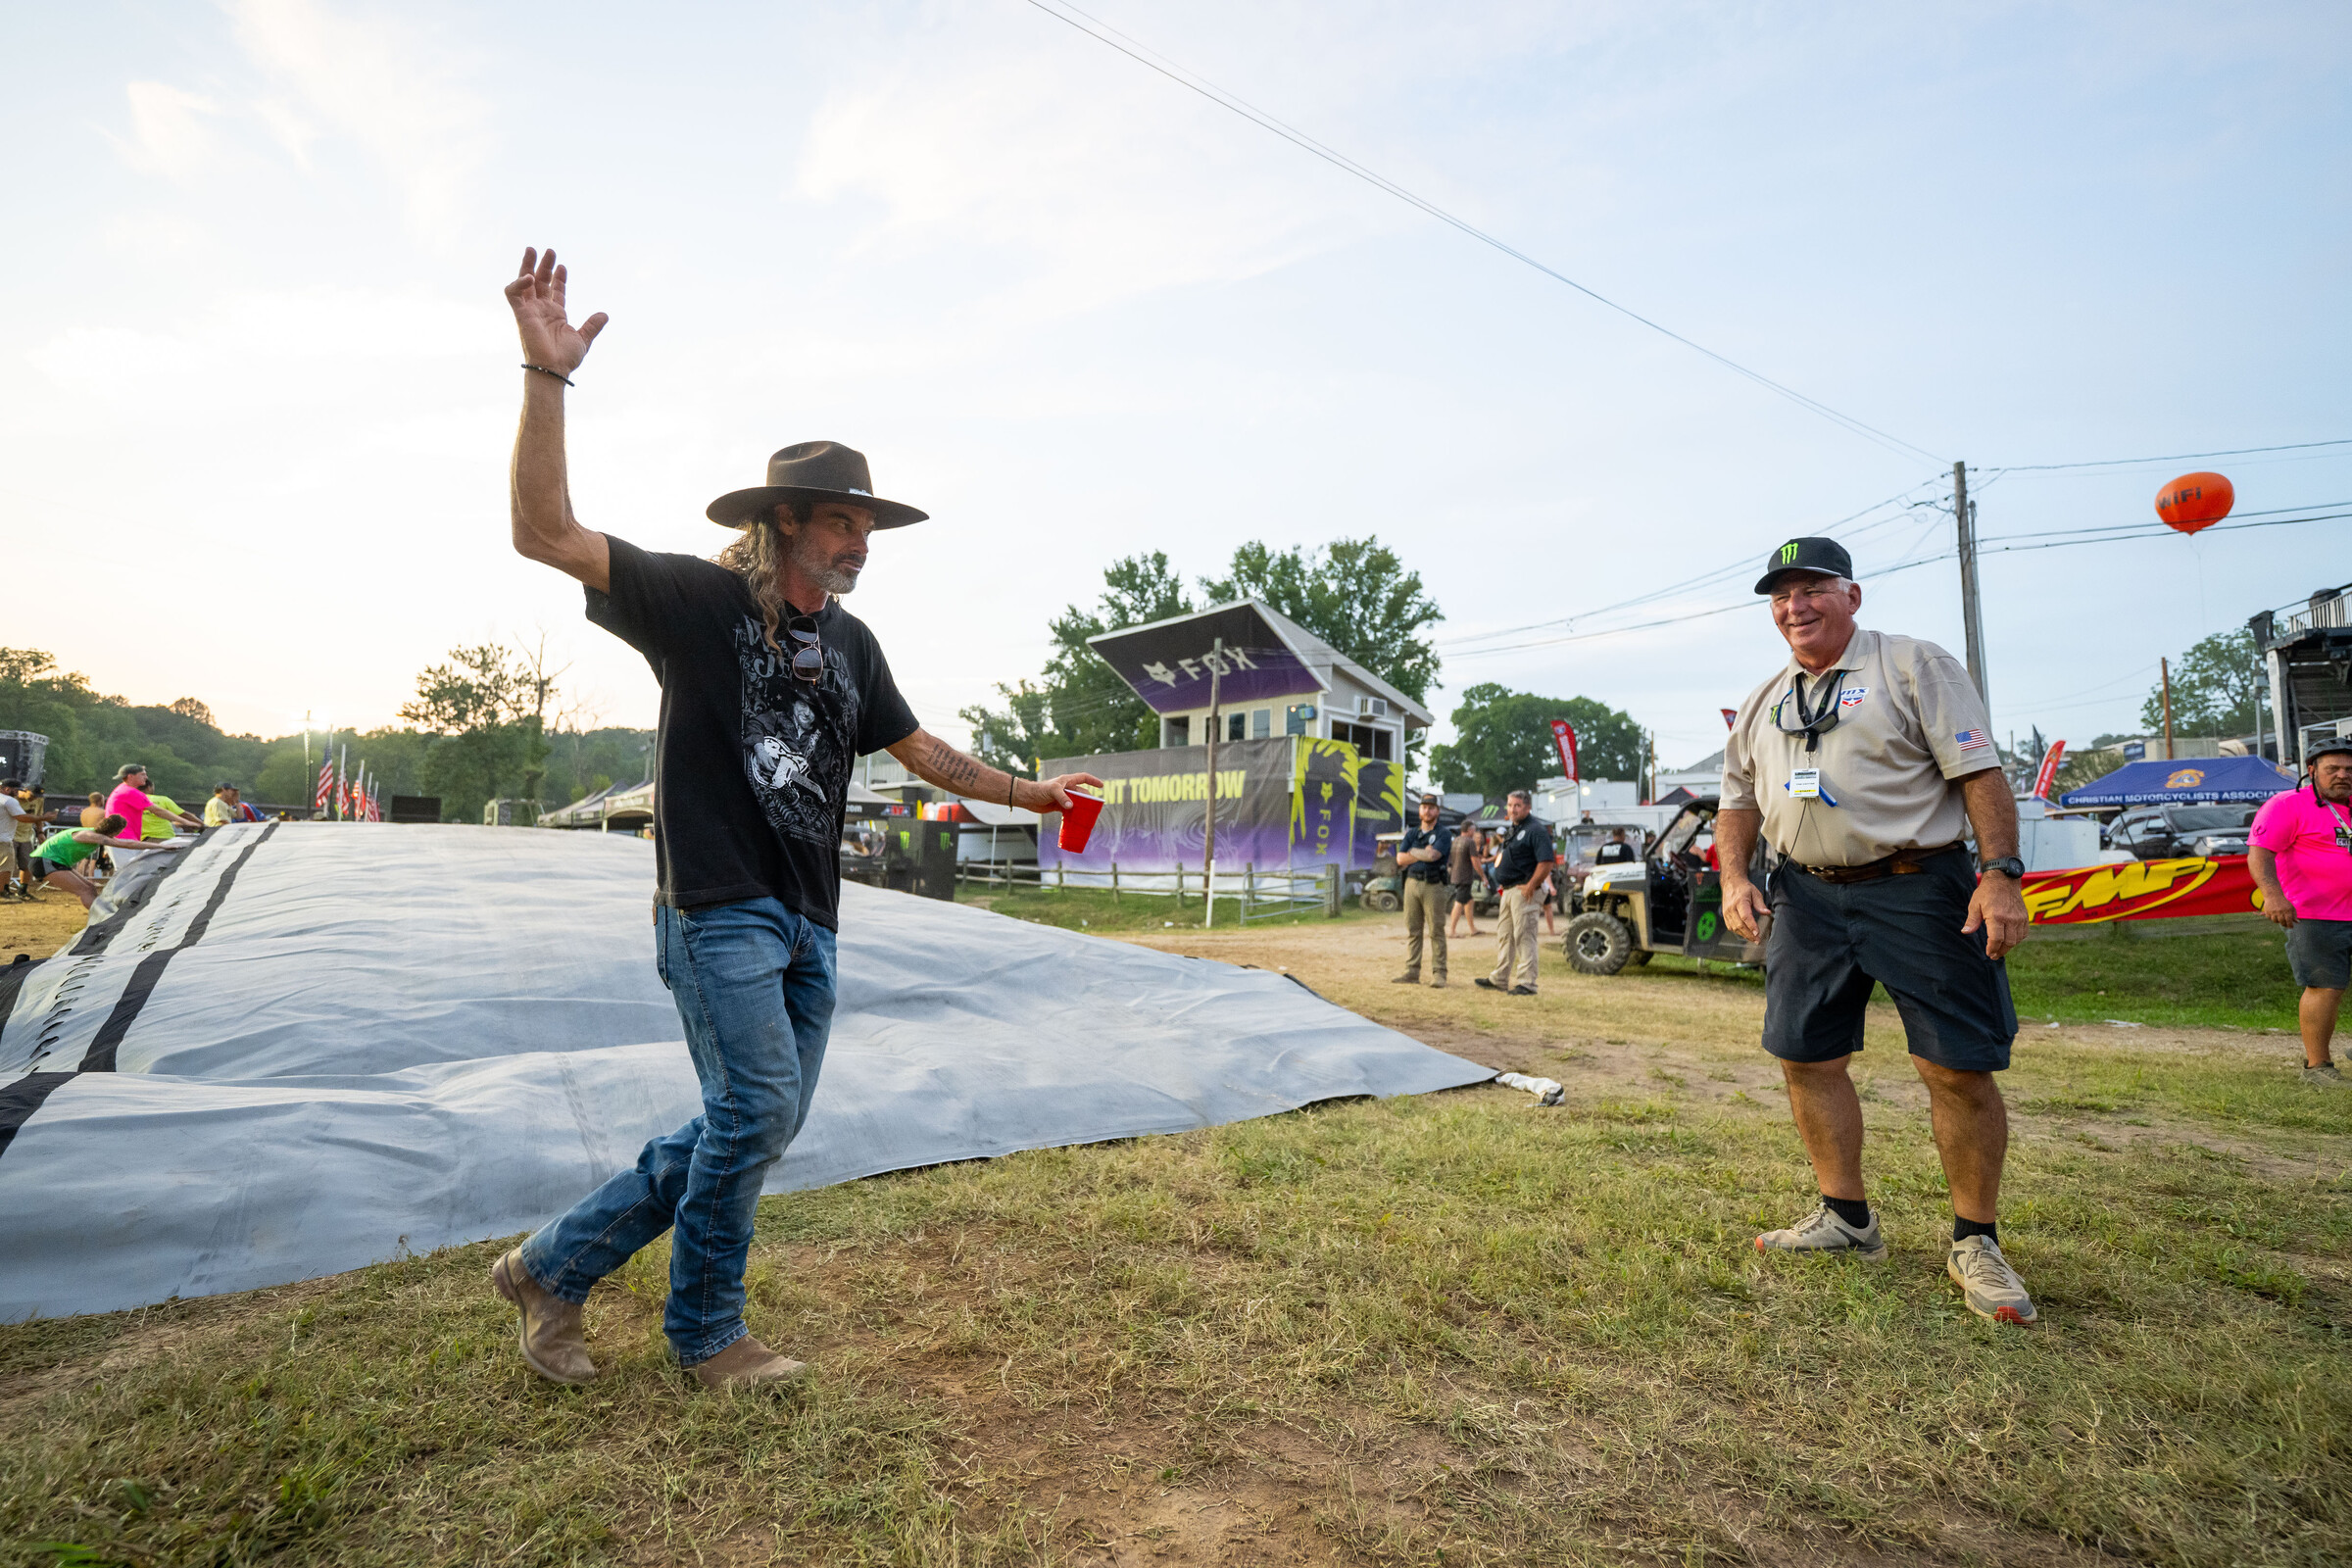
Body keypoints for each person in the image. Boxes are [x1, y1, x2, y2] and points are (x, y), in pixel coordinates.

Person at [491, 246, 1102, 1393]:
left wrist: (1032, 792)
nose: (860, 542)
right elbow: (545, 531)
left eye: (867, 527)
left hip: (813, 920)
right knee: (758, 1108)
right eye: (839, 521)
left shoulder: (854, 645)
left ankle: (549, 1268)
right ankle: (707, 1336)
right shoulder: (699, 601)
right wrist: (547, 376)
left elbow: (919, 748)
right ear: (782, 520)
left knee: (750, 1124)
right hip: (718, 907)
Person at [1716, 536, 2035, 1327]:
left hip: (1917, 887)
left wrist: (2000, 873)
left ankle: (1976, 1241)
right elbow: (1738, 800)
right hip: (1805, 899)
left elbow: (1979, 772)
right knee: (1804, 1055)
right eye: (1782, 596)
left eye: (1813, 588)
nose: (1797, 606)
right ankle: (1846, 1218)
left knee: (1955, 1066)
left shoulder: (1909, 665)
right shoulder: (1764, 699)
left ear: (1851, 596)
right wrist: (1733, 877)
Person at [2247, 735, 2352, 1085]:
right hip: (2315, 914)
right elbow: (2260, 854)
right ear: (2312, 770)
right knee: (2325, 986)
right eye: (2332, 768)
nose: (2342, 775)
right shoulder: (2287, 805)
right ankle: (2318, 1067)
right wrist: (2272, 896)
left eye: (2349, 769)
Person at [1475, 791, 1553, 996]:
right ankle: (1499, 978)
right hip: (1509, 890)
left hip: (1524, 890)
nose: (1512, 809)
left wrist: (1531, 885)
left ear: (1527, 807)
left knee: (1524, 936)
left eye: (1517, 805)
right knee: (1505, 936)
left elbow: (1546, 862)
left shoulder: (1536, 830)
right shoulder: (1514, 829)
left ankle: (1527, 983)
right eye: (1509, 805)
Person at [25, 814, 182, 910]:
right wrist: (161, 846)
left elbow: (126, 843)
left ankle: (99, 917)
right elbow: (128, 844)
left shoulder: (93, 834)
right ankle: (99, 921)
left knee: (90, 887)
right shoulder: (91, 835)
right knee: (85, 891)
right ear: (115, 830)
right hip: (45, 862)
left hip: (53, 861)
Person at [1391, 794, 1453, 988]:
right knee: (1413, 929)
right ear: (1419, 810)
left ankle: (1439, 973)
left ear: (1437, 811)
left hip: (1433, 884)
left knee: (1436, 930)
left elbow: (1433, 855)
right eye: (1424, 807)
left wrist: (1413, 853)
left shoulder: (1443, 833)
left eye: (1431, 807)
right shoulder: (1412, 833)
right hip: (1411, 883)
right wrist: (1421, 854)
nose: (1427, 811)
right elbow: (1400, 859)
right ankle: (1412, 970)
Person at [1446, 825, 1481, 938]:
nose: (1475, 832)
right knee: (1459, 901)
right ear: (1469, 830)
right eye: (1474, 830)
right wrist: (1483, 876)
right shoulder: (1470, 842)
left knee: (1469, 901)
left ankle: (1472, 929)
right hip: (1465, 876)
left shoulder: (1455, 840)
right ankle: (1452, 930)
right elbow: (1474, 860)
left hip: (1455, 875)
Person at [0, 780, 24, 900]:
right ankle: (2, 893)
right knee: (5, 867)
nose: (18, 793)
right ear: (7, 789)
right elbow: (22, 817)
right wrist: (43, 817)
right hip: (3, 839)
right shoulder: (9, 800)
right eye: (16, 790)